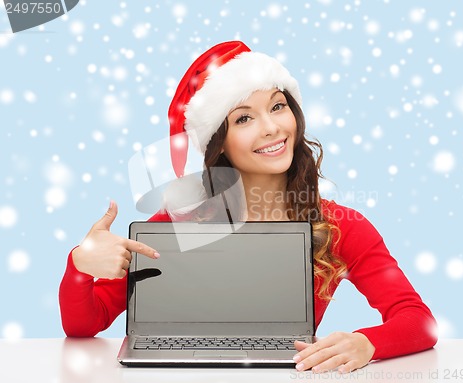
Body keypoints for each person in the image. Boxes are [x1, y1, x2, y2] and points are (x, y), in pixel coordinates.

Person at [59, 41, 437, 373]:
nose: (271, 128)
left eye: (278, 106)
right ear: (218, 142)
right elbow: (84, 324)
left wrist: (367, 343)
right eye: (244, 118)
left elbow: (418, 321)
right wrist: (80, 263)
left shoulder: (341, 226)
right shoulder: (177, 224)